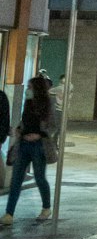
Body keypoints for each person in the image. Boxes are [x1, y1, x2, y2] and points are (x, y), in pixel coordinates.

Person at [2, 74, 55, 226]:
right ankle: (9, 213)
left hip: (39, 146)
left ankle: (46, 208)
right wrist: (19, 129)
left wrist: (38, 135)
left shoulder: (46, 105)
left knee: (39, 177)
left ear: (37, 89)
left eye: (30, 87)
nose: (27, 90)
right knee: (16, 179)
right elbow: (25, 121)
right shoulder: (28, 103)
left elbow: (52, 126)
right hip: (23, 144)